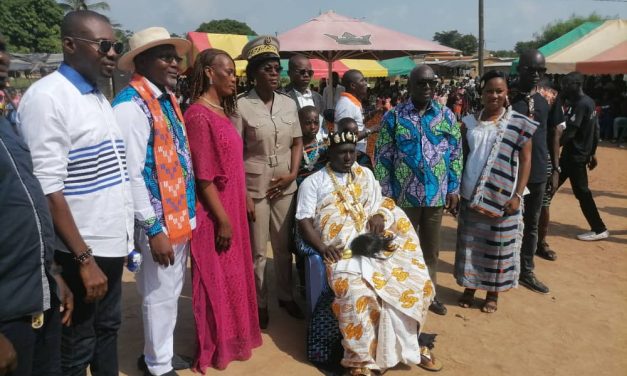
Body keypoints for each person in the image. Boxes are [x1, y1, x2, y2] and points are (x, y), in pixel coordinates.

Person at [17, 10, 134, 375]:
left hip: (110, 245)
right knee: (75, 345)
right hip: (79, 251)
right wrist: (84, 261)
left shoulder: (96, 96)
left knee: (107, 330)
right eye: (103, 45)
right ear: (69, 45)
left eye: (115, 45)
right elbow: (47, 189)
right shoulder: (48, 98)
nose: (112, 53)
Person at [297, 131, 439, 375]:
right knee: (358, 293)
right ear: (329, 153)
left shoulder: (365, 174)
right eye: (342, 152)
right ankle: (361, 361)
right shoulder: (314, 182)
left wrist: (378, 216)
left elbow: (381, 203)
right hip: (344, 254)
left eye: (353, 151)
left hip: (373, 246)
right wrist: (322, 247)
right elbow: (304, 220)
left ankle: (411, 344)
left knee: (417, 283)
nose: (349, 157)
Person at [112, 27, 196, 376]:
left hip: (178, 218)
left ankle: (157, 355)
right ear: (142, 61)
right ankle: (158, 366)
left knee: (169, 291)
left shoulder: (164, 99)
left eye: (176, 57)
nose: (175, 63)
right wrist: (153, 228)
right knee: (158, 294)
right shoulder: (131, 106)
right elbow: (129, 174)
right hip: (159, 223)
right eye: (166, 57)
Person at [184, 48, 262, 372]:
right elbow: (203, 177)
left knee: (234, 276)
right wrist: (223, 220)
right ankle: (217, 345)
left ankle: (236, 337)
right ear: (208, 74)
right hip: (215, 211)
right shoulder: (198, 115)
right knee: (216, 280)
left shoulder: (223, 110)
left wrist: (243, 196)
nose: (234, 77)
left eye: (234, 72)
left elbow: (233, 164)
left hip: (231, 204)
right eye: (227, 71)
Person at [0, 33, 73, 376]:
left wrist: (51, 275)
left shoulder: (5, 126)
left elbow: (28, 206)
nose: (4, 58)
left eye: (3, 47)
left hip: (36, 295)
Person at [374, 65, 462, 316]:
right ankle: (403, 293)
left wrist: (453, 187)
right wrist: (386, 195)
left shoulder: (446, 116)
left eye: (430, 84)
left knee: (430, 249)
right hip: (403, 197)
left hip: (435, 195)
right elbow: (383, 156)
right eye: (420, 83)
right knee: (402, 246)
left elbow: (455, 153)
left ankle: (429, 293)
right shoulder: (394, 117)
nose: (426, 88)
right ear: (410, 86)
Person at [455, 70, 536, 313]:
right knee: (471, 246)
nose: (494, 95)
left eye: (499, 91)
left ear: (506, 93)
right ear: (481, 93)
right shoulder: (468, 122)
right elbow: (462, 158)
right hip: (471, 195)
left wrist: (518, 195)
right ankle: (470, 288)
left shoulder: (518, 124)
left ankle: (493, 294)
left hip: (503, 199)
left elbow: (526, 160)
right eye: (489, 90)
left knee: (497, 248)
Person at [237, 36, 304, 329]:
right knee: (257, 251)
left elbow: (298, 142)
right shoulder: (241, 106)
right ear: (254, 73)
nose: (275, 73)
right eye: (267, 69)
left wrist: (293, 173)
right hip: (256, 187)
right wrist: (244, 195)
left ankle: (285, 296)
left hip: (285, 185)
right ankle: (259, 301)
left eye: (277, 68)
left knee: (283, 245)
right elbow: (235, 153)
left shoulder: (289, 104)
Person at [510, 50, 554, 294]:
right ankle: (504, 269)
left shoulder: (544, 101)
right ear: (520, 69)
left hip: (537, 172)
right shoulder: (507, 99)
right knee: (506, 224)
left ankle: (526, 270)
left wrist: (552, 168)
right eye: (531, 70)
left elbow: (548, 136)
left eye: (541, 70)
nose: (537, 75)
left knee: (532, 224)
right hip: (511, 174)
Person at [556, 72, 609, 241]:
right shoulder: (589, 102)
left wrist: (553, 148)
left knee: (581, 192)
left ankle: (599, 228)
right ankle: (530, 218)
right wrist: (592, 153)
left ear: (577, 84)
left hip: (574, 156)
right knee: (550, 185)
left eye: (566, 84)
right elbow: (596, 129)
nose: (563, 88)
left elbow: (571, 132)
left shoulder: (580, 104)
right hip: (578, 155)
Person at [334, 69, 380, 156]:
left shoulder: (352, 102)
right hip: (350, 156)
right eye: (362, 81)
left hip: (357, 151)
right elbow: (346, 136)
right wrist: (372, 129)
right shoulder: (346, 105)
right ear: (353, 85)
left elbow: (355, 124)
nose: (366, 84)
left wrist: (371, 114)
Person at [297, 105, 327, 185]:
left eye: (316, 123)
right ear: (299, 123)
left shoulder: (325, 147)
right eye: (308, 123)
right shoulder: (294, 149)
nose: (313, 127)